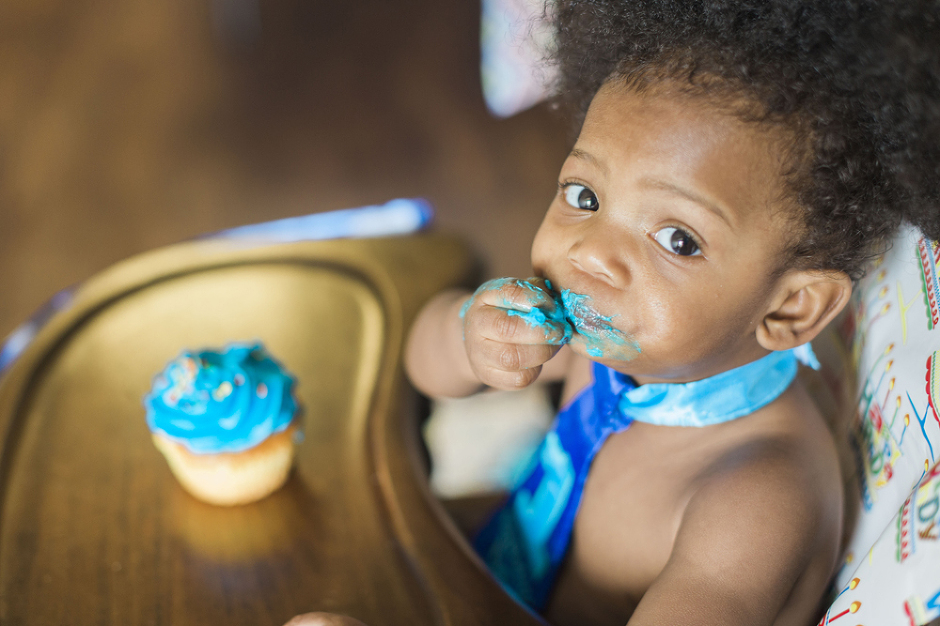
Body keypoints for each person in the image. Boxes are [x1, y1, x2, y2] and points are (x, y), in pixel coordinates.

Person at [289, 1, 940, 625]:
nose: (592, 254)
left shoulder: (756, 496)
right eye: (584, 194)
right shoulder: (623, 338)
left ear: (791, 309)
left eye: (676, 239)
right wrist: (467, 337)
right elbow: (421, 364)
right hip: (483, 573)